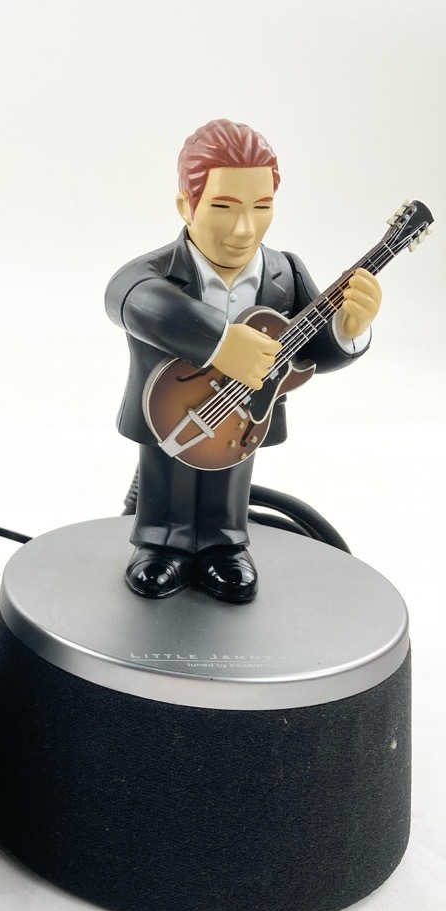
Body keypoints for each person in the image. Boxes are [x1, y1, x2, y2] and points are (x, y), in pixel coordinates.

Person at [105, 119, 382, 603]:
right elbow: (128, 299)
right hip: (170, 406)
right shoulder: (156, 272)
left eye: (261, 207)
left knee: (232, 473)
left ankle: (223, 544)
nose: (244, 229)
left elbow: (310, 351)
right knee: (166, 472)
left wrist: (348, 329)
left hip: (246, 415)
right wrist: (219, 342)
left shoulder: (285, 272)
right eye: (223, 207)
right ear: (186, 205)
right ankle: (161, 542)